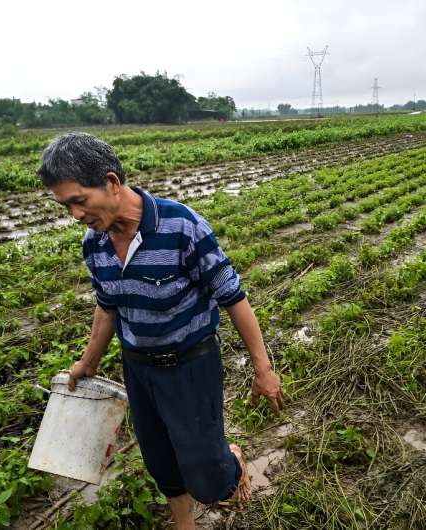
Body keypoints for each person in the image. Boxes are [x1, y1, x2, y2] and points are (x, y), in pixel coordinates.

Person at [37, 132, 284, 529]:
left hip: (191, 365)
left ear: (112, 182)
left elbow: (233, 297)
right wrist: (88, 362)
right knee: (161, 460)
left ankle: (231, 463)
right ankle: (183, 523)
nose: (75, 215)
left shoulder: (182, 227)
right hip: (139, 368)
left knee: (206, 477)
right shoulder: (94, 244)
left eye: (79, 201)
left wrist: (263, 370)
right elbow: (108, 306)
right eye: (65, 206)